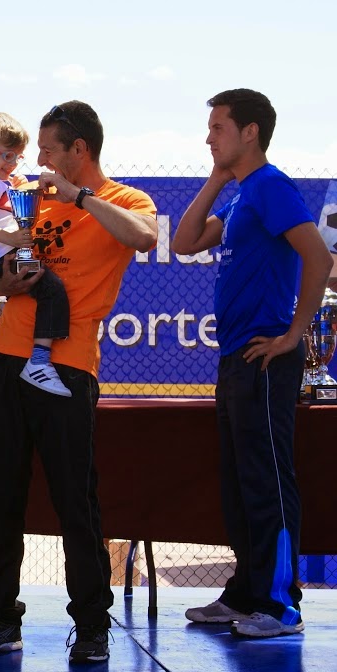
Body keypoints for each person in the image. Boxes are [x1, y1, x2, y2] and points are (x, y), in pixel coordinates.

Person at [0, 101, 157, 664]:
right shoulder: (26, 194)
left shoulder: (123, 199)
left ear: (80, 151)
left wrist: (78, 198)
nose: (38, 161)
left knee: (76, 499)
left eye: (48, 150)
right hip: (3, 359)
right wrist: (10, 279)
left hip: (68, 366)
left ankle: (92, 624)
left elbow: (144, 236)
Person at [172, 89, 332, 639]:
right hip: (235, 358)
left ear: (250, 133)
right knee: (239, 484)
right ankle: (246, 593)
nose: (209, 136)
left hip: (267, 357)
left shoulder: (271, 186)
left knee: (267, 481)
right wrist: (216, 178)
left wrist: (293, 335)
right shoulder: (242, 195)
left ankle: (282, 606)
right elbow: (184, 242)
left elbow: (318, 256)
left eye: (218, 127)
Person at [0, 112, 71, 397]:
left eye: (17, 158)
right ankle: (39, 362)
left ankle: (38, 359)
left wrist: (14, 182)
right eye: (7, 156)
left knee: (43, 291)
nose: (12, 164)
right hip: (1, 257)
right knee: (53, 290)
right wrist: (11, 238)